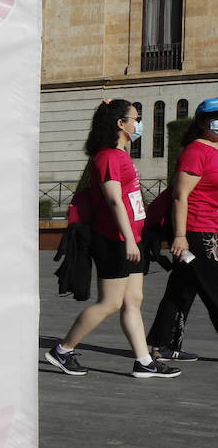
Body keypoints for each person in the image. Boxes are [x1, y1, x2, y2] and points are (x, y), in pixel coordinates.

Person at [45, 100, 180, 379]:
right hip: (115, 239)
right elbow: (115, 201)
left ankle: (143, 361)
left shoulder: (119, 155)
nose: (138, 124)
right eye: (135, 118)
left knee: (134, 299)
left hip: (132, 237)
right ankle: (63, 349)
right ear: (121, 123)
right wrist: (129, 239)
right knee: (110, 302)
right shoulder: (107, 157)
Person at [145, 97, 218, 359]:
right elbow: (180, 196)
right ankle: (162, 346)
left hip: (210, 229)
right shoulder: (196, 152)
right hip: (197, 232)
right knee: (214, 289)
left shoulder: (214, 150)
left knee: (182, 289)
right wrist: (179, 236)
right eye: (215, 117)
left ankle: (162, 345)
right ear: (201, 122)